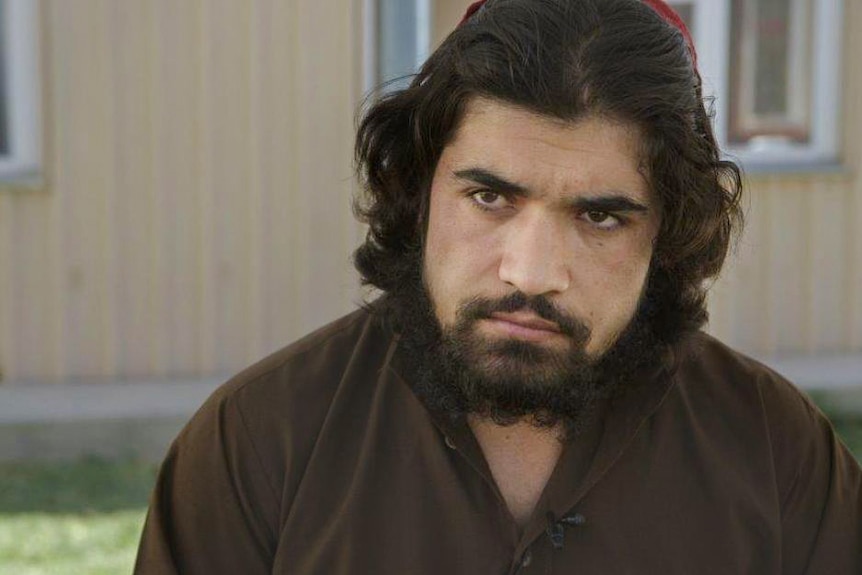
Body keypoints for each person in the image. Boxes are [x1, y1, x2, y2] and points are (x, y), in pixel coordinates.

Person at [134, 0, 862, 573]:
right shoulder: (260, 442)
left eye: (601, 216)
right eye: (490, 198)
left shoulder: (776, 452)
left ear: (668, 235)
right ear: (419, 192)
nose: (531, 271)